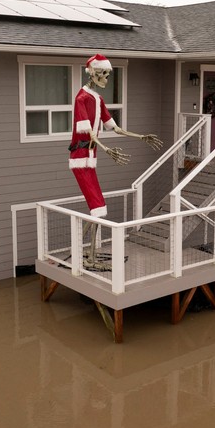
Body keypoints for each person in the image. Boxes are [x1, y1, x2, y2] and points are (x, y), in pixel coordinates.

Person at [69, 54, 162, 268]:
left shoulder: (98, 100)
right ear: (93, 72)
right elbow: (90, 134)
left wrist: (141, 137)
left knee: (99, 208)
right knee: (98, 207)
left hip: (90, 158)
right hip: (80, 158)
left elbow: (115, 128)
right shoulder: (81, 98)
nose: (106, 78)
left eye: (108, 74)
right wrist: (107, 149)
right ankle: (87, 255)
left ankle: (86, 252)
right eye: (104, 73)